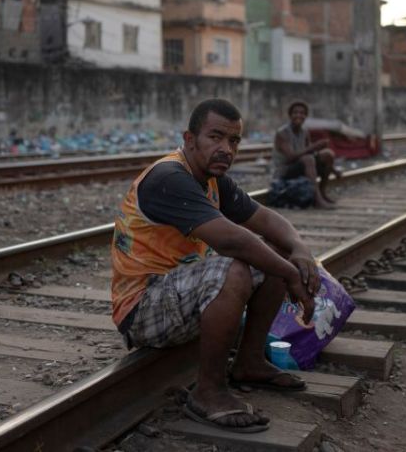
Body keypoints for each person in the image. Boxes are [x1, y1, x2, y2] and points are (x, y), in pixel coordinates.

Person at [111, 98, 320, 433]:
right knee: (237, 266)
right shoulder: (169, 177)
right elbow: (231, 241)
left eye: (234, 140)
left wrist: (300, 250)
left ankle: (249, 362)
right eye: (215, 137)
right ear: (190, 139)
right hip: (143, 309)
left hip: (180, 296)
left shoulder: (212, 178)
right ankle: (209, 391)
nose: (226, 149)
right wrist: (291, 272)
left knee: (273, 253)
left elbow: (264, 218)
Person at [271, 100, 339, 209]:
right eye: (295, 112)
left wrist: (333, 169)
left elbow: (311, 152)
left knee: (327, 154)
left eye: (302, 113)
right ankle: (317, 200)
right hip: (284, 170)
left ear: (305, 116)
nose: (299, 115)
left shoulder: (305, 132)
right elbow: (290, 157)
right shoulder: (282, 133)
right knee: (308, 159)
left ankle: (322, 194)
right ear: (290, 115)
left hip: (301, 167)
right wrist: (314, 146)